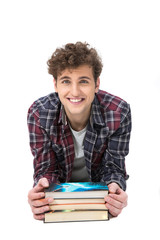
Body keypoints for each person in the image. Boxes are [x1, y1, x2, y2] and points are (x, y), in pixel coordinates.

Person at [27, 42, 132, 220]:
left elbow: (113, 166)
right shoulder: (39, 113)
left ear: (96, 84)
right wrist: (41, 190)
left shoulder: (118, 111)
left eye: (83, 81)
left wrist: (115, 188)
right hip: (61, 198)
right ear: (55, 85)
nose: (75, 91)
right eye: (66, 81)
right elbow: (46, 168)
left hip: (98, 196)